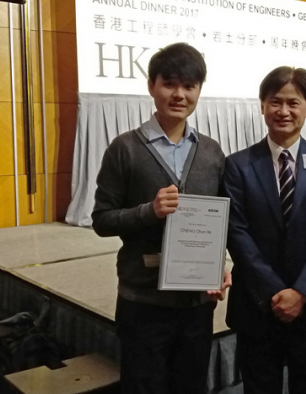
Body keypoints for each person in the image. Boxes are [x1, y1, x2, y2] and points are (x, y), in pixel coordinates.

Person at [92, 43, 231, 394]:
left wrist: (220, 263)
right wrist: (148, 212)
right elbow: (102, 220)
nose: (180, 94)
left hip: (196, 304)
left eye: (190, 86)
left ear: (199, 89)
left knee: (191, 386)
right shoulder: (124, 149)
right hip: (143, 303)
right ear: (152, 86)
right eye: (169, 84)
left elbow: (219, 221)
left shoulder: (212, 152)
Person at [222, 66, 306, 394]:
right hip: (257, 306)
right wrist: (275, 293)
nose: (283, 111)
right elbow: (237, 233)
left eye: (293, 103)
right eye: (275, 102)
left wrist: (302, 292)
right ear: (262, 105)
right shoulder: (238, 165)